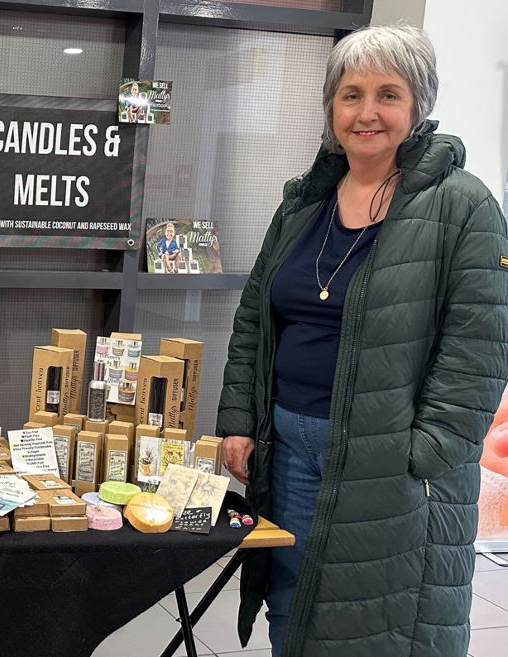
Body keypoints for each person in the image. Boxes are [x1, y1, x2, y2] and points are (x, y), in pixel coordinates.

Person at [216, 25, 508, 657]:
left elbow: (479, 351)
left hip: (390, 460)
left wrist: (425, 453)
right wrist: (239, 418)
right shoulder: (304, 203)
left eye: (387, 94)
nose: (366, 112)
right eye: (350, 95)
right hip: (288, 448)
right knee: (292, 603)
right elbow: (253, 321)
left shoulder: (463, 207)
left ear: (418, 106)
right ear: (331, 107)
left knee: (378, 620)